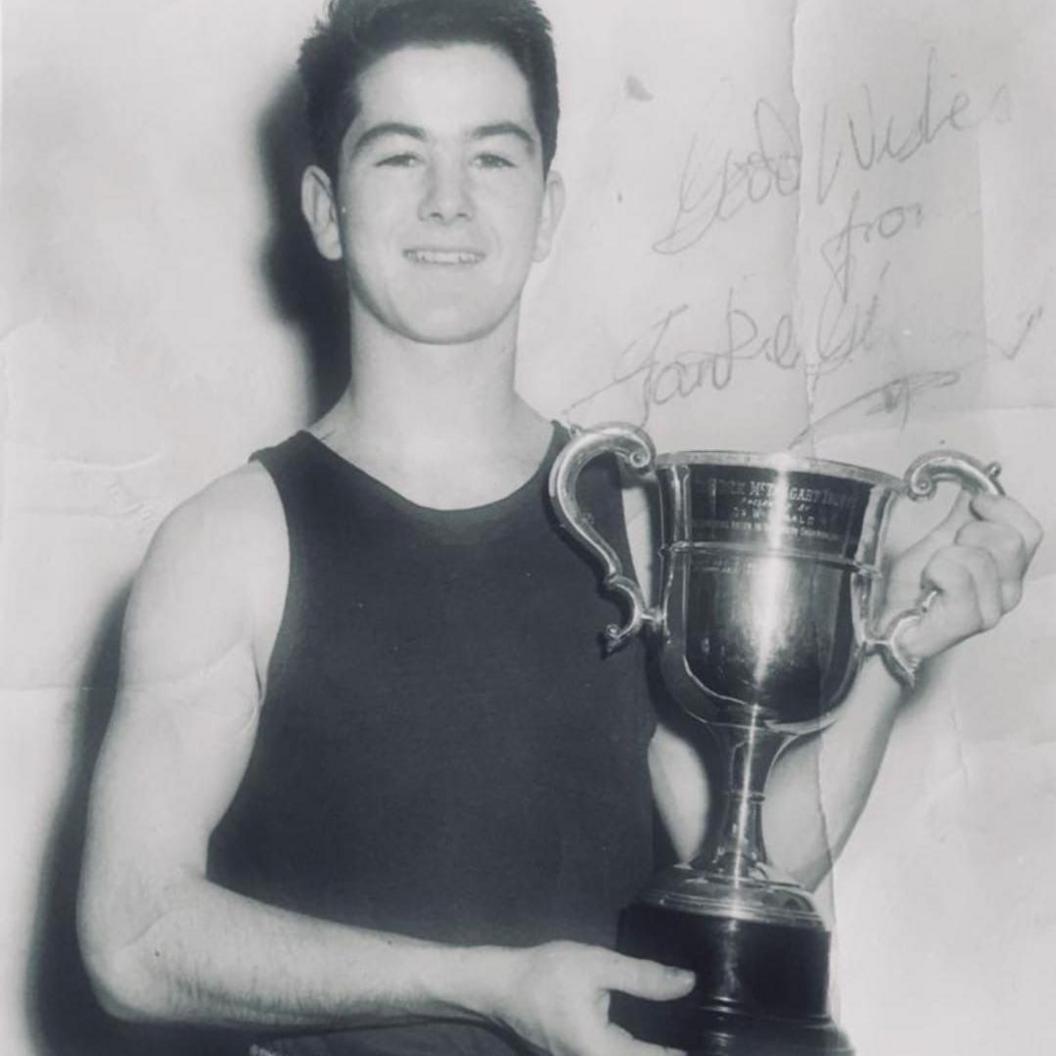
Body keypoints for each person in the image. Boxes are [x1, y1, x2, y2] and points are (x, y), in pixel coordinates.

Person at [76, 2, 1043, 1055]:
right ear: (325, 210)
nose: (448, 201)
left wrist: (896, 644)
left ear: (549, 208)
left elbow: (755, 859)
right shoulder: (230, 542)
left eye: (493, 158)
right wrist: (490, 985)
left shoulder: (634, 520)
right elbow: (133, 940)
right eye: (398, 156)